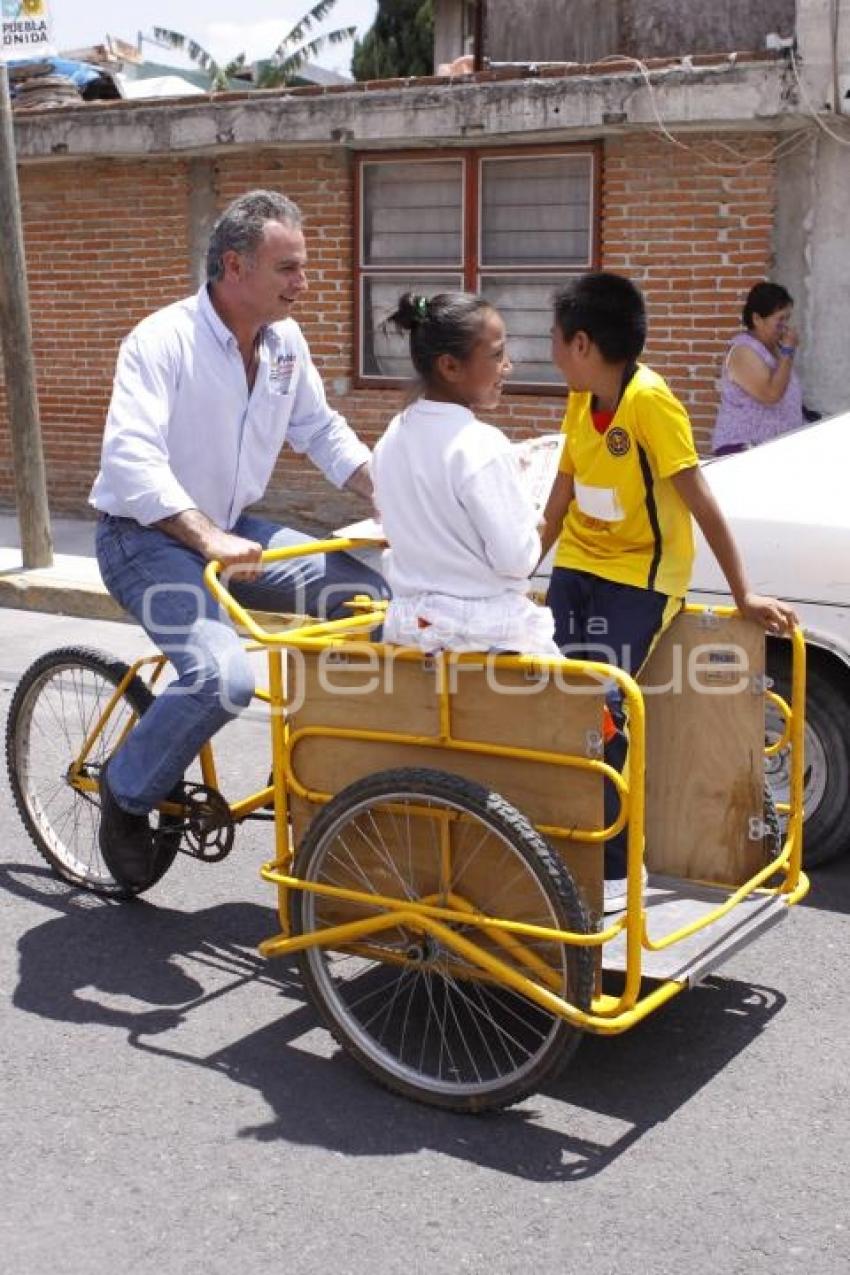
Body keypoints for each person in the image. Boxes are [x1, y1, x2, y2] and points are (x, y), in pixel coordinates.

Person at [90, 189, 388, 890]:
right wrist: (205, 536)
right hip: (146, 536)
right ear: (234, 265)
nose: (302, 283)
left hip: (232, 526)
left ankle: (335, 779)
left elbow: (320, 430)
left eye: (303, 267)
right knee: (222, 679)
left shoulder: (284, 345)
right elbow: (130, 461)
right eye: (287, 268)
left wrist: (394, 495)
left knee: (368, 598)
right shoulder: (162, 340)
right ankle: (126, 789)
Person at [539, 272, 797, 913]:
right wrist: (515, 574)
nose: (549, 351)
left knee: (598, 706)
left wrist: (744, 597)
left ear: (581, 344)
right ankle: (559, 845)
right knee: (548, 696)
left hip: (641, 577)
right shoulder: (578, 397)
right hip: (578, 562)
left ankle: (611, 868)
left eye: (553, 340)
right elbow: (559, 500)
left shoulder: (651, 402)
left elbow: (704, 507)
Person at [371, 291, 559, 656]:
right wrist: (535, 524)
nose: (507, 366)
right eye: (496, 355)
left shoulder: (392, 437)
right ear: (450, 366)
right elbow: (516, 560)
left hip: (410, 628)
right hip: (483, 635)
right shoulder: (481, 445)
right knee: (601, 698)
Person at [712, 281, 804, 456]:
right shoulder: (743, 351)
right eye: (780, 319)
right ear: (757, 319)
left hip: (771, 450)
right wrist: (788, 351)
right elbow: (770, 394)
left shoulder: (775, 349)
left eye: (787, 319)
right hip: (744, 451)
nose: (785, 326)